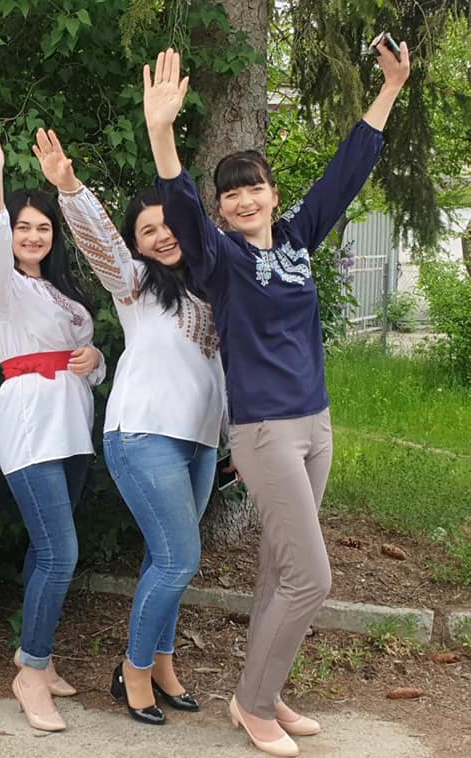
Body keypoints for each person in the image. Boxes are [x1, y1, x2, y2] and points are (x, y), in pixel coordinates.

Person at [143, 44, 410, 757]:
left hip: (315, 424)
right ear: (222, 208)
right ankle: (254, 703)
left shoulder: (295, 240)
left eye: (253, 187)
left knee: (280, 570)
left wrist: (391, 87)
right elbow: (183, 213)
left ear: (269, 190)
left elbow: (344, 175)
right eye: (230, 193)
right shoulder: (221, 260)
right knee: (312, 577)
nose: (244, 199)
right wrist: (162, 134)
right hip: (264, 432)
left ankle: (263, 689)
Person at [32, 127, 225, 725]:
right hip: (143, 435)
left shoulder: (213, 288)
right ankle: (133, 670)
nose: (161, 236)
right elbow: (104, 247)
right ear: (137, 244)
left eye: (169, 225)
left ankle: (162, 663)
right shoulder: (136, 284)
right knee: (179, 559)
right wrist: (70, 189)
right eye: (147, 230)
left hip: (200, 442)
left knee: (164, 559)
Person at [0, 122, 104, 732]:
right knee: (60, 551)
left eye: (43, 227)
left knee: (48, 550)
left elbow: (86, 355)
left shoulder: (63, 291)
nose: (33, 236)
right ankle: (31, 673)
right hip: (29, 423)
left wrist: (95, 360)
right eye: (24, 226)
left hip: (72, 424)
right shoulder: (3, 289)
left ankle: (33, 654)